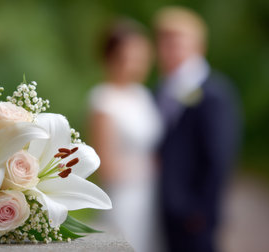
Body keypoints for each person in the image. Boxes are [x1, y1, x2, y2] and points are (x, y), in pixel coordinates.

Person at [153, 6, 241, 252]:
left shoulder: (215, 93)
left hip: (194, 213)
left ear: (199, 46)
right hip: (160, 206)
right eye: (165, 41)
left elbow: (219, 156)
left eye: (179, 42)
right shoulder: (159, 89)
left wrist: (201, 210)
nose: (171, 49)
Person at [88, 19, 164, 252]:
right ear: (110, 58)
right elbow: (105, 165)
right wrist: (152, 167)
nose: (135, 64)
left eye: (140, 56)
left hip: (152, 194)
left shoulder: (142, 95)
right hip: (123, 198)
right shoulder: (103, 100)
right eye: (127, 56)